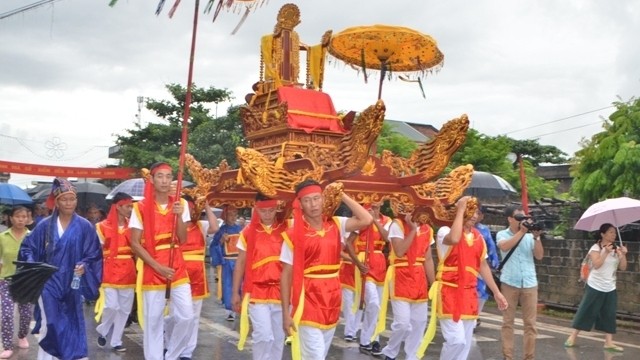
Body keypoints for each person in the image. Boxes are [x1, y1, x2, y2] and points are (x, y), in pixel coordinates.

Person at [280, 180, 372, 360]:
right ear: (300, 204)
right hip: (307, 298)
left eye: (317, 198)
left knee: (320, 353)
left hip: (332, 297)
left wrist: (340, 194)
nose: (313, 204)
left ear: (323, 199)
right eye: (307, 200)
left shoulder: (336, 224)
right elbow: (286, 275)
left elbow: (366, 219)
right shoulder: (293, 234)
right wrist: (285, 313)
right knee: (315, 355)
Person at [18, 178, 103, 360]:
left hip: (73, 282)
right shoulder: (44, 225)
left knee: (72, 321)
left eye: (72, 199)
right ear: (56, 202)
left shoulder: (85, 226)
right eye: (64, 199)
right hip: (49, 282)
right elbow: (27, 248)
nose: (69, 203)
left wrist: (85, 265)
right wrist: (35, 268)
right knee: (52, 322)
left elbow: (94, 254)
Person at [129, 162, 194, 360]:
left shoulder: (180, 204)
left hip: (177, 265)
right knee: (153, 321)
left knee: (187, 316)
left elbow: (183, 239)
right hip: (153, 265)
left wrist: (178, 217)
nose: (165, 180)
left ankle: (172, 355)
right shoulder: (140, 208)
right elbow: (135, 243)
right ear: (152, 180)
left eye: (168, 176)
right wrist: (157, 266)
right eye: (160, 176)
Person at [434, 197, 508, 360]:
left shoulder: (478, 237)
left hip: (469, 293)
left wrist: (496, 292)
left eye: (476, 212)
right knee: (456, 341)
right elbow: (454, 240)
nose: (474, 216)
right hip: (449, 291)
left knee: (465, 343)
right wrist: (460, 209)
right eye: (470, 210)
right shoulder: (445, 231)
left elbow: (483, 266)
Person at [374, 206, 435, 360]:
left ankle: (412, 355)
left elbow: (427, 259)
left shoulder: (428, 229)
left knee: (419, 322)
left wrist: (433, 283)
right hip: (401, 274)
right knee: (402, 322)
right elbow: (400, 251)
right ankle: (390, 351)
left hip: (419, 277)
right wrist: (413, 230)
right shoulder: (398, 224)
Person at [232, 193, 288, 360]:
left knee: (278, 338)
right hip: (256, 290)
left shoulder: (286, 229)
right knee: (263, 335)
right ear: (256, 209)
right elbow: (240, 264)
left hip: (281, 292)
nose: (268, 214)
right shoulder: (248, 232)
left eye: (271, 210)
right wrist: (235, 292)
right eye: (264, 211)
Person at [164, 196, 218, 360]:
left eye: (194, 208)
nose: (192, 211)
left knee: (193, 317)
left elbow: (215, 227)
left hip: (197, 277)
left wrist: (207, 206)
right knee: (175, 316)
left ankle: (187, 351)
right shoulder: (173, 225)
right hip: (178, 275)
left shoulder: (201, 225)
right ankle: (170, 344)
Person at [564, 223, 628, 352]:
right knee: (586, 310)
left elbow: (623, 267)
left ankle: (609, 342)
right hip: (595, 285)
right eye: (610, 232)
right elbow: (597, 264)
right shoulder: (595, 248)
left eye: (614, 233)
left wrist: (623, 255)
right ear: (602, 234)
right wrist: (605, 252)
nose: (613, 235)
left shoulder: (616, 250)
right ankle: (573, 336)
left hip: (610, 286)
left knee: (609, 313)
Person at [496, 205, 544, 360]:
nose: (522, 221)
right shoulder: (502, 234)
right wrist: (522, 232)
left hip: (529, 282)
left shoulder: (530, 237)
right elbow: (504, 246)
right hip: (509, 282)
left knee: (530, 324)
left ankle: (529, 357)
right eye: (518, 218)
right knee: (508, 322)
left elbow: (539, 256)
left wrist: (536, 237)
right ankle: (508, 356)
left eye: (524, 217)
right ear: (510, 219)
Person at [345, 202, 391, 356]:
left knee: (379, 304)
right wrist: (357, 262)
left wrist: (375, 221)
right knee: (373, 303)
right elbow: (348, 242)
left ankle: (374, 338)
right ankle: (366, 339)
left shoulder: (387, 220)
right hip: (365, 261)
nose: (375, 208)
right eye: (372, 205)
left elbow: (387, 238)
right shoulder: (361, 219)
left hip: (380, 262)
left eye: (377, 206)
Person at [94, 192, 135, 352]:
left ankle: (116, 340)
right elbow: (96, 250)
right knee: (111, 306)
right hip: (110, 269)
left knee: (125, 309)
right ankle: (104, 329)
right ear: (117, 207)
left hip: (128, 269)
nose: (130, 209)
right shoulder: (101, 227)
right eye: (127, 206)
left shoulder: (133, 226)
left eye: (131, 206)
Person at [0, 206, 33, 359]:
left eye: (24, 216)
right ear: (11, 218)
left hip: (26, 281)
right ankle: (7, 345)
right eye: (18, 216)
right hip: (6, 280)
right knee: (6, 314)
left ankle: (22, 335)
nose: (21, 219)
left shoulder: (32, 236)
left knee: (26, 314)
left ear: (28, 218)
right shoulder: (2, 237)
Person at [211, 205, 243, 321]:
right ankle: (230, 311)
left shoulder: (241, 230)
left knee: (241, 284)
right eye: (230, 214)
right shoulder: (221, 230)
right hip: (227, 262)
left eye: (235, 214)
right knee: (228, 285)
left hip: (240, 261)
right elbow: (213, 246)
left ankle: (241, 307)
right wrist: (221, 241)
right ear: (225, 216)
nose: (233, 217)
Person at [475, 206, 500, 327]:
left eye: (478, 213)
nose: (475, 216)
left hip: (481, 263)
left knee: (481, 291)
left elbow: (491, 246)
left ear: (482, 216)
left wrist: (494, 261)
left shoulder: (485, 230)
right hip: (467, 265)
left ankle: (476, 315)